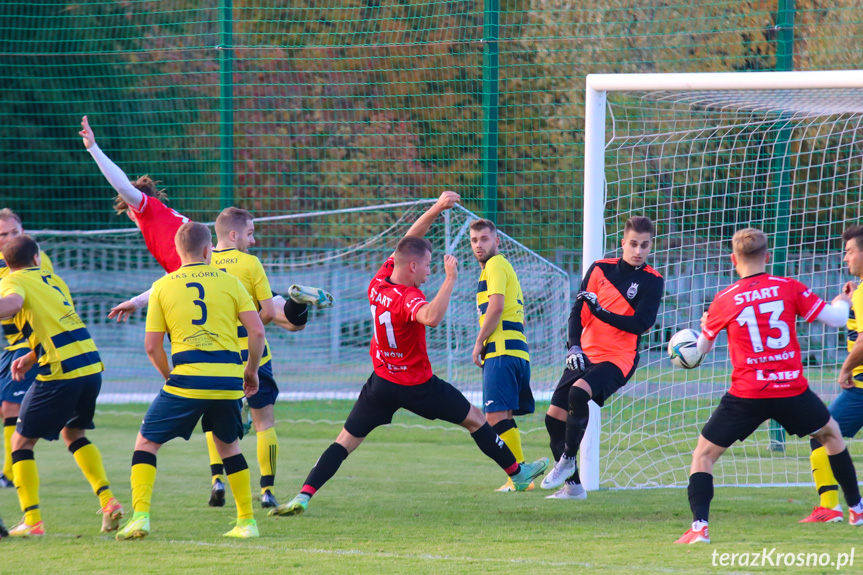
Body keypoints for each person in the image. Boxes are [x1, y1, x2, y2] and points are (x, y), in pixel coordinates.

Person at [269, 192, 548, 518]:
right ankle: (517, 472)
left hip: (382, 382)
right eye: (428, 265)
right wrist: (450, 279)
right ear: (413, 267)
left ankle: (303, 496)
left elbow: (409, 239)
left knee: (344, 441)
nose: (430, 270)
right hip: (418, 385)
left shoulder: (378, 282)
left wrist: (437, 207)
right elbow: (430, 317)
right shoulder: (408, 297)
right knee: (475, 420)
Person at [676, 228, 863, 544]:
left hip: (747, 393)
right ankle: (856, 509)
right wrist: (843, 300)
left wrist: (705, 325)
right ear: (768, 257)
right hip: (791, 389)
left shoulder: (724, 298)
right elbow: (834, 319)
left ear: (734, 260)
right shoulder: (788, 287)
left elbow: (701, 350)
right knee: (831, 434)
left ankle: (699, 529)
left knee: (703, 456)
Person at [115, 222, 265, 540]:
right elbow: (257, 331)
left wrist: (171, 378)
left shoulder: (163, 287)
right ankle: (247, 522)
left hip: (186, 380)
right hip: (227, 381)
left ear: (178, 252)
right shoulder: (231, 283)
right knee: (229, 447)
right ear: (208, 250)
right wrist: (250, 371)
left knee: (146, 442)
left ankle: (140, 517)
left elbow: (152, 346)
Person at [0, 235, 123, 537]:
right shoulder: (53, 279)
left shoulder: (12, 281)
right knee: (73, 433)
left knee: (20, 443)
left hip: (61, 372)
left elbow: (13, 303)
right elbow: (59, 323)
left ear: (8, 263)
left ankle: (32, 521)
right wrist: (31, 355)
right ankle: (108, 501)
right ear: (36, 258)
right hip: (90, 365)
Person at [541, 216, 663, 499]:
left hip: (619, 358)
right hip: (586, 354)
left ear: (650, 246)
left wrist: (601, 312)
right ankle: (573, 488)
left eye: (644, 245)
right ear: (623, 243)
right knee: (553, 420)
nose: (638, 251)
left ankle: (568, 458)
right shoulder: (599, 269)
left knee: (578, 394)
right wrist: (574, 347)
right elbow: (577, 313)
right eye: (633, 244)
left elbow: (640, 324)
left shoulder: (652, 281)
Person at [468, 218, 537, 492]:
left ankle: (518, 476)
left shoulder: (496, 264)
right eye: (474, 241)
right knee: (504, 416)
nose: (479, 245)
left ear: (497, 241)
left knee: (494, 417)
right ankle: (519, 477)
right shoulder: (499, 267)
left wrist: (478, 343)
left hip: (502, 351)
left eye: (484, 239)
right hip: (516, 351)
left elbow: (496, 307)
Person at [801, 225, 863, 523]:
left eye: (850, 251)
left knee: (822, 436)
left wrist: (845, 369)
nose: (845, 258)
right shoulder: (860, 292)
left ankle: (831, 507)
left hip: (860, 389)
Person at [0, 209, 53, 489]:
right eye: (3, 234)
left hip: (31, 346)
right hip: (12, 347)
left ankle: (9, 474)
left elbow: (13, 306)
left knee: (11, 406)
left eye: (14, 233)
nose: (9, 238)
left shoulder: (34, 262)